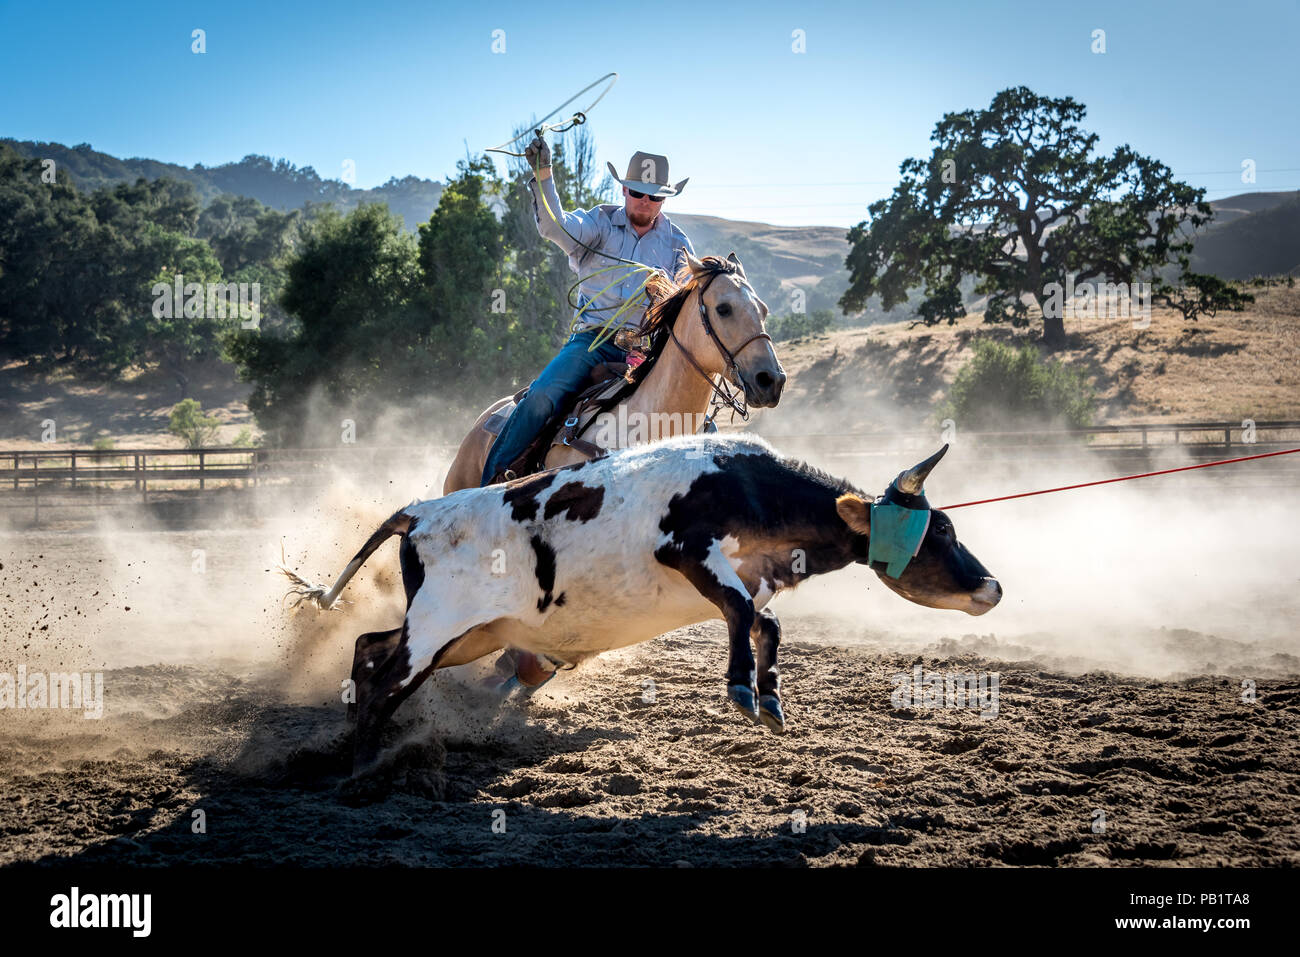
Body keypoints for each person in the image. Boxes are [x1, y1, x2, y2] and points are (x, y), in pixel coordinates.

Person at [479, 135, 696, 486]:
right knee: (542, 398)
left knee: (697, 421)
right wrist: (544, 175)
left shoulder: (678, 244)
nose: (645, 201)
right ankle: (490, 487)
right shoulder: (599, 224)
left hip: (649, 349)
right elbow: (555, 227)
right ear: (624, 190)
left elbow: (688, 300)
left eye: (654, 196)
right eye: (638, 192)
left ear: (664, 199)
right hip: (593, 342)